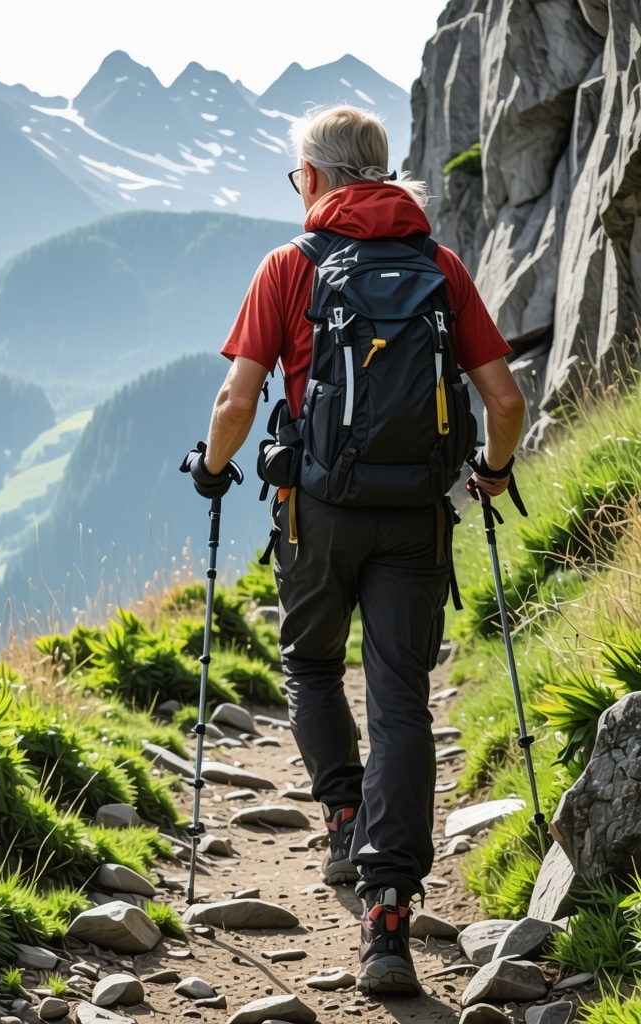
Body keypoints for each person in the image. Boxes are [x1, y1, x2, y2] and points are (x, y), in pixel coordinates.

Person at [183, 105, 526, 995]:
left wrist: (211, 473)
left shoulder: (288, 268)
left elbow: (234, 402)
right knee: (402, 701)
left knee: (307, 662)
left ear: (319, 179)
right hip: (417, 515)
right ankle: (387, 911)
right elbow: (507, 400)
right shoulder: (440, 266)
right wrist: (490, 473)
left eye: (299, 176)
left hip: (319, 511)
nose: (298, 190)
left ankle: (342, 810)